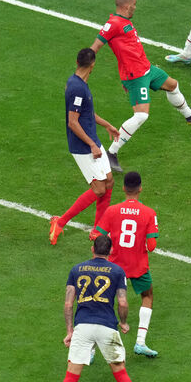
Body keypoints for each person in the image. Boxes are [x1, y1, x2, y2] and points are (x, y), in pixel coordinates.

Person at [90, 0, 191, 173]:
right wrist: (83, 71)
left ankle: (190, 115)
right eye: (134, 5)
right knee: (141, 115)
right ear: (127, 5)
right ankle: (111, 153)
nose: (135, 8)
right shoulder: (113, 24)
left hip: (147, 69)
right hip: (135, 77)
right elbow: (95, 47)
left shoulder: (125, 22)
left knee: (173, 85)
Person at [52, 235, 148, 382]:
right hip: (107, 327)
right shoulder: (117, 271)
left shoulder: (76, 269)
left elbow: (68, 304)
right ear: (111, 251)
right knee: (121, 373)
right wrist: (123, 322)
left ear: (92, 248)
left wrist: (70, 331)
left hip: (83, 326)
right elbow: (122, 302)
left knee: (71, 376)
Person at [50, 48, 119, 245]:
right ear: (93, 64)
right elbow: (73, 122)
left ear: (77, 61)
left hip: (92, 141)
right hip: (83, 146)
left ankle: (98, 230)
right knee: (98, 189)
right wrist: (91, 145)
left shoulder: (79, 83)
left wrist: (107, 125)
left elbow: (87, 114)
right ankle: (60, 222)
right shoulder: (77, 88)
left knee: (109, 181)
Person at [96, 171, 160, 358]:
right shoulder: (149, 213)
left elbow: (97, 235)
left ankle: (91, 349)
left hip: (115, 266)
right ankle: (140, 342)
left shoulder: (112, 211)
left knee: (104, 301)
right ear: (140, 188)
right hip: (138, 266)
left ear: (124, 188)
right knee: (147, 296)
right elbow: (152, 246)